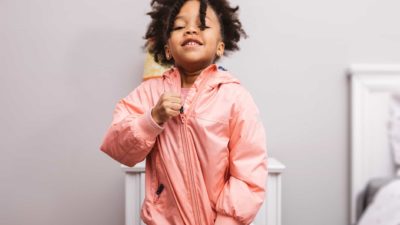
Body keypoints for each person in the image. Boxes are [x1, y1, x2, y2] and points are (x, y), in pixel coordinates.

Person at [100, 0, 268, 224]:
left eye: (202, 25)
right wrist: (152, 119)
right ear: (168, 48)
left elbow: (249, 171)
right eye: (179, 27)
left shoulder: (235, 98)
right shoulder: (151, 93)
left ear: (220, 45)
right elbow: (116, 145)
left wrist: (228, 221)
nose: (190, 29)